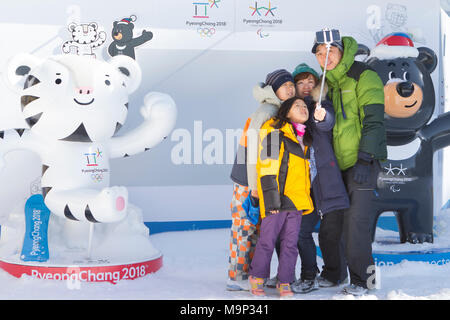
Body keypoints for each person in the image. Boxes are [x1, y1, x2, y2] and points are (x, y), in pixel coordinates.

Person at [312, 31, 387, 295]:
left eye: (329, 51)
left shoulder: (363, 75)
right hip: (336, 166)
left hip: (361, 162)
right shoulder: (324, 84)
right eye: (320, 53)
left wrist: (365, 159)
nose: (325, 57)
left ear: (342, 50)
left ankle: (363, 282)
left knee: (356, 225)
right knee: (331, 223)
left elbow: (375, 120)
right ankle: (334, 273)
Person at [268, 64, 350, 294]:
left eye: (310, 82)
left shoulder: (319, 107)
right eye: (300, 83)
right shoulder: (292, 112)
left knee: (330, 234)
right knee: (300, 232)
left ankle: (337, 274)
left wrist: (321, 116)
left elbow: (327, 121)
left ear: (317, 85)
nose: (305, 87)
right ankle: (308, 275)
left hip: (326, 183)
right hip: (303, 189)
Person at [227, 69, 296, 291]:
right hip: (248, 180)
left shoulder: (279, 110)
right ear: (273, 89)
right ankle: (236, 278)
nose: (290, 88)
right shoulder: (267, 111)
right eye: (284, 85)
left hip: (257, 180)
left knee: (255, 228)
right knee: (244, 227)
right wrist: (255, 187)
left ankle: (247, 274)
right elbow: (254, 151)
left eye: (291, 85)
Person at [248, 97, 314, 297]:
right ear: (286, 112)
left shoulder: (304, 137)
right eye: (297, 106)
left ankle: (285, 280)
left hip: (296, 201)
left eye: (305, 106)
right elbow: (266, 167)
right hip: (276, 199)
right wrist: (271, 200)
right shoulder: (274, 131)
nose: (303, 108)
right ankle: (257, 277)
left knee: (290, 243)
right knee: (267, 240)